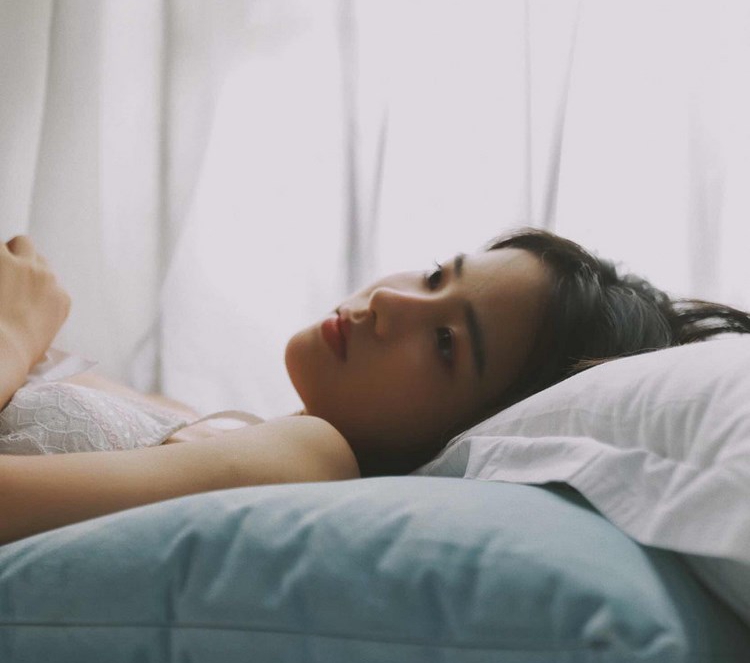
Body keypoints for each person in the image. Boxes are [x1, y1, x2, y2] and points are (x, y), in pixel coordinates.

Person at [0, 228, 748, 545]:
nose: (392, 301)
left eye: (447, 342)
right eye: (435, 276)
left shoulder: (310, 458)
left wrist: (13, 331)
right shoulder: (227, 428)